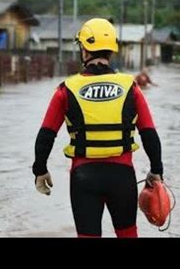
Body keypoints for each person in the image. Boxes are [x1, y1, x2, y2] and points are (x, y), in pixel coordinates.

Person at [32, 18, 164, 238]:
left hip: (83, 177)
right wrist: (156, 170)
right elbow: (149, 133)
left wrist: (40, 170)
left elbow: (46, 135)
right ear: (112, 51)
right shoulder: (130, 86)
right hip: (122, 177)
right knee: (128, 234)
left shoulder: (65, 90)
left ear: (84, 50)